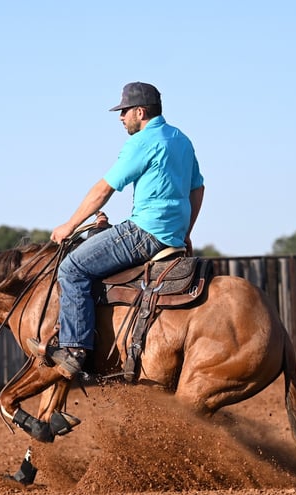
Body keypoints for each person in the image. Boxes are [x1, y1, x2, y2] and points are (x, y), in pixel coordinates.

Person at [28, 81, 205, 378]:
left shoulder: (143, 142)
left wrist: (69, 225)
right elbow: (197, 188)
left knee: (72, 268)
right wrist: (186, 231)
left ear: (140, 111)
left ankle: (74, 350)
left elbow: (104, 189)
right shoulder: (181, 139)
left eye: (124, 111)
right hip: (172, 234)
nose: (121, 117)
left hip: (145, 232)